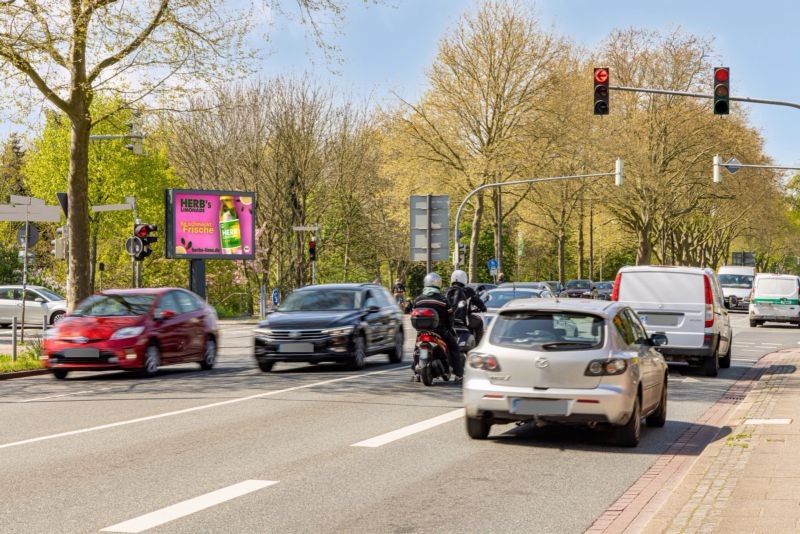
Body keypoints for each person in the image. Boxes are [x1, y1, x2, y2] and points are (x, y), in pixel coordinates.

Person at [412, 272, 463, 381]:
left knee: (416, 347)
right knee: (454, 348)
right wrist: (449, 328)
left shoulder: (418, 299)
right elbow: (450, 316)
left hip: (422, 332)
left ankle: (416, 373)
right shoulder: (443, 299)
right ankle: (459, 375)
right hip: (440, 331)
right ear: (438, 284)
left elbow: (413, 314)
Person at [446, 270, 487, 344]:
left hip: (449, 320)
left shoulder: (447, 291)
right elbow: (478, 302)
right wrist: (483, 308)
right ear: (464, 278)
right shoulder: (468, 290)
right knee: (479, 322)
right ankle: (478, 345)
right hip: (464, 320)